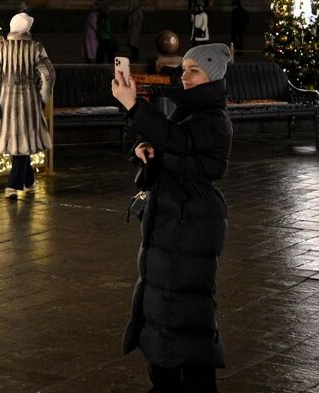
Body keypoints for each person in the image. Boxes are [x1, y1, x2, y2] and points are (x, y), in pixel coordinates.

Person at [111, 42, 233, 392]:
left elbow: (176, 140)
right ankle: (165, 382)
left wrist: (134, 105)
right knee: (162, 309)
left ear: (213, 77)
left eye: (194, 70)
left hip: (192, 223)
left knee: (187, 316)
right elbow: (169, 143)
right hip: (171, 221)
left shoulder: (214, 119)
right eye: (184, 69)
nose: (185, 76)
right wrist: (143, 149)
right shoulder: (190, 112)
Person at [0, 12, 55, 199]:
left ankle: (15, 184)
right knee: (23, 139)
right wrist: (43, 95)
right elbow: (48, 74)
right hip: (28, 100)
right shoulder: (35, 47)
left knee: (16, 140)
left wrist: (3, 81)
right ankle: (22, 183)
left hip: (6, 101)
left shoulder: (1, 47)